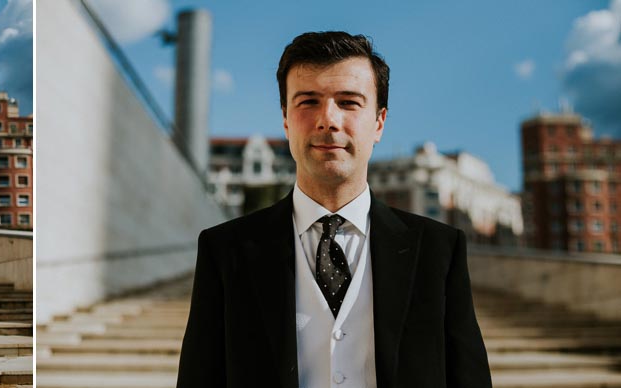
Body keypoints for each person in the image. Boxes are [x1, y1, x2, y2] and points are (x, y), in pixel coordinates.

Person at [176, 31, 491, 387]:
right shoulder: (225, 250)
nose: (328, 120)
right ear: (285, 119)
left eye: (349, 102)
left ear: (379, 122)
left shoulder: (439, 250)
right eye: (308, 101)